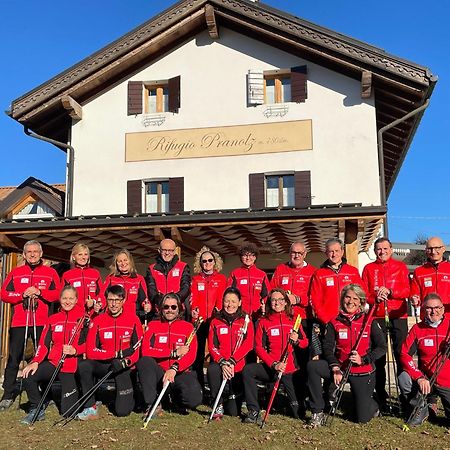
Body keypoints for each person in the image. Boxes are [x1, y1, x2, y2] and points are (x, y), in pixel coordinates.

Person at [307, 284, 386, 426]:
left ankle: (372, 403)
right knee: (313, 366)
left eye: (355, 299)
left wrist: (364, 359)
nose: (350, 301)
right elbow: (327, 347)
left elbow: (382, 347)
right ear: (342, 299)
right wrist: (335, 367)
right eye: (347, 297)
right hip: (341, 368)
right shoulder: (334, 322)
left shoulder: (369, 321)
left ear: (361, 302)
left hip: (362, 371)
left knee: (361, 419)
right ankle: (317, 411)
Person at [0, 240, 60, 411]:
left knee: (42, 357)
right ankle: (8, 394)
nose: (33, 254)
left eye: (36, 251)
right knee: (14, 358)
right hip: (20, 321)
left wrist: (40, 292)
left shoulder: (50, 273)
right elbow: (4, 293)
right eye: (29, 252)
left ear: (41, 254)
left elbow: (58, 294)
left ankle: (43, 391)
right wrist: (22, 294)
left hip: (42, 322)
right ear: (24, 255)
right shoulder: (16, 272)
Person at [20, 286, 87, 424]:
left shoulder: (83, 319)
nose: (67, 301)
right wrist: (36, 361)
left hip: (71, 365)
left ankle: (78, 394)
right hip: (54, 362)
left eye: (70, 298)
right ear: (60, 300)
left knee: (68, 413)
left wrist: (76, 350)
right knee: (28, 375)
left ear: (76, 300)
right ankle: (37, 408)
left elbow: (90, 344)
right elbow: (43, 344)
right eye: (64, 298)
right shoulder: (53, 319)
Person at [242, 288, 308, 424]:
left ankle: (291, 402)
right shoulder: (263, 322)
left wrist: (297, 340)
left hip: (290, 370)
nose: (277, 303)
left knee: (298, 413)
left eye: (280, 300)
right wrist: (273, 364)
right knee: (248, 370)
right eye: (273, 300)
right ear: (269, 303)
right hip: (273, 367)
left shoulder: (294, 319)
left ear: (286, 302)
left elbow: (305, 343)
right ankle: (253, 410)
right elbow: (258, 347)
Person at [77, 285, 143, 419]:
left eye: (117, 300)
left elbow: (137, 348)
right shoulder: (98, 320)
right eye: (110, 300)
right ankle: (90, 406)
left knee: (122, 412)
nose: (113, 304)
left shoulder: (133, 319)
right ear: (106, 300)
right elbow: (91, 351)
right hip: (105, 364)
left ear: (123, 300)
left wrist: (126, 361)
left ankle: (131, 395)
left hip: (123, 366)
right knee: (84, 365)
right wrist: (114, 354)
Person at [362, 237, 410, 408]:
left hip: (398, 316)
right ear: (374, 251)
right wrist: (375, 297)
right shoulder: (368, 268)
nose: (382, 252)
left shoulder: (401, 267)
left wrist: (391, 291)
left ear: (391, 249)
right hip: (377, 316)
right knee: (379, 357)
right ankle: (380, 395)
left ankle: (406, 395)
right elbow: (364, 293)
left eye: (385, 249)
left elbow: (407, 290)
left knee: (401, 355)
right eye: (378, 249)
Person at [137, 293, 202, 416]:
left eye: (173, 307)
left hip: (179, 372)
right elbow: (146, 351)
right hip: (159, 373)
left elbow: (191, 354)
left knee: (194, 399)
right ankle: (152, 404)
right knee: (144, 361)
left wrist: (175, 367)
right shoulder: (153, 325)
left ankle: (175, 400)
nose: (170, 310)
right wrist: (172, 353)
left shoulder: (188, 327)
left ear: (179, 308)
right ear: (161, 309)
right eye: (166, 307)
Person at [399, 293, 450, 426]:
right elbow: (404, 354)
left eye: (438, 307)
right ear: (423, 309)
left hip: (447, 380)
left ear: (443, 309)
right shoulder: (417, 329)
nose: (434, 311)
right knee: (404, 377)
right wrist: (419, 376)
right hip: (426, 379)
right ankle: (421, 409)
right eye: (429, 308)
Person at [207, 287, 254, 419]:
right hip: (221, 364)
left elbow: (248, 344)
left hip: (237, 366)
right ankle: (218, 403)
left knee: (233, 412)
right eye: (227, 301)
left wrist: (233, 361)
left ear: (239, 302)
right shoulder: (216, 321)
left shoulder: (246, 320)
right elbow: (212, 346)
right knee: (212, 369)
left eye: (233, 301)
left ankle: (233, 397)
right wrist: (222, 362)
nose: (230, 305)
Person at [191, 246, 227, 387]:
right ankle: (199, 386)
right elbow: (193, 298)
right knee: (198, 355)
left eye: (210, 260)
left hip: (215, 321)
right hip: (199, 321)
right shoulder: (196, 279)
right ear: (200, 263)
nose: (207, 263)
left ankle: (214, 386)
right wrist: (194, 310)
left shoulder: (221, 279)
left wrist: (219, 312)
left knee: (214, 354)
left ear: (215, 261)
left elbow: (222, 297)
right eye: (204, 261)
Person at [309, 238, 366, 325]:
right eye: (331, 251)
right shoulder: (319, 274)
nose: (334, 254)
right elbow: (315, 299)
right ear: (326, 253)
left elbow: (362, 294)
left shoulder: (352, 272)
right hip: (328, 321)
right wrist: (324, 318)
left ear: (342, 252)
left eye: (337, 251)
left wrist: (357, 314)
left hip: (350, 320)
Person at [271, 241, 316, 320]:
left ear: (305, 254)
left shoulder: (313, 272)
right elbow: (271, 291)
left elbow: (316, 298)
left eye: (300, 253)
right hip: (282, 316)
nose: (297, 256)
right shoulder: (281, 269)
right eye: (294, 252)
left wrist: (298, 299)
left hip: (304, 317)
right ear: (289, 253)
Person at [145, 239, 191, 314]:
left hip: (177, 311)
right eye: (164, 250)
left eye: (170, 250)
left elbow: (186, 287)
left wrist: (175, 300)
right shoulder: (151, 268)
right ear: (159, 250)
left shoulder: (183, 267)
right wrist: (160, 300)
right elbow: (151, 289)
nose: (167, 253)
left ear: (174, 251)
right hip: (158, 311)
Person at [103, 249, 149, 322]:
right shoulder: (111, 278)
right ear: (116, 264)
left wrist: (147, 306)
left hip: (131, 318)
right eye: (120, 261)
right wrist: (99, 305)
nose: (123, 263)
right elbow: (103, 297)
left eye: (125, 260)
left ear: (130, 261)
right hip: (112, 317)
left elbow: (145, 299)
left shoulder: (139, 279)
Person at [227, 244, 271, 319]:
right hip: (239, 315)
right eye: (245, 255)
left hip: (257, 315)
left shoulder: (262, 274)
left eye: (251, 255)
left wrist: (265, 309)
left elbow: (267, 294)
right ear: (241, 257)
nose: (248, 258)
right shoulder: (235, 273)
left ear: (255, 257)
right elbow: (228, 294)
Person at [61, 242, 104, 315]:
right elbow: (61, 296)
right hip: (73, 316)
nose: (83, 257)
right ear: (74, 257)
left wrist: (94, 302)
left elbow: (102, 295)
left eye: (86, 254)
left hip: (92, 316)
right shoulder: (67, 275)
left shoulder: (95, 273)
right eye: (80, 254)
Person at [411, 237, 450, 313]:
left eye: (437, 248)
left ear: (443, 249)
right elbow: (415, 293)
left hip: (448, 315)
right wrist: (415, 299)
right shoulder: (419, 272)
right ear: (426, 251)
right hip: (427, 316)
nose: (433, 251)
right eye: (430, 248)